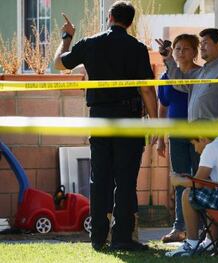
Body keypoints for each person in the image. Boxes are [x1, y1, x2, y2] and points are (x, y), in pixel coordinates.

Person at [53, 1, 157, 251]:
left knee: (100, 178)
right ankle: (122, 237)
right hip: (129, 119)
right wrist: (155, 121)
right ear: (130, 22)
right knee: (125, 178)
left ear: (109, 17)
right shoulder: (138, 48)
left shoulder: (90, 43)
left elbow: (58, 64)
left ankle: (98, 238)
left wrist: (67, 37)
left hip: (99, 118)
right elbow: (146, 88)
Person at [157, 34, 201, 243]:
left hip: (198, 136)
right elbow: (162, 107)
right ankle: (179, 228)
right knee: (180, 180)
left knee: (200, 179)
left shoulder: (201, 74)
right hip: (175, 136)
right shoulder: (166, 77)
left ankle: (200, 227)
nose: (181, 52)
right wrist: (159, 138)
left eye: (185, 48)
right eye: (177, 48)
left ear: (195, 52)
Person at [156, 28, 218, 122]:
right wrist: (168, 58)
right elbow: (179, 82)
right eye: (201, 44)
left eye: (205, 43)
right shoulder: (200, 72)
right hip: (195, 134)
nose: (201, 47)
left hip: (214, 134)